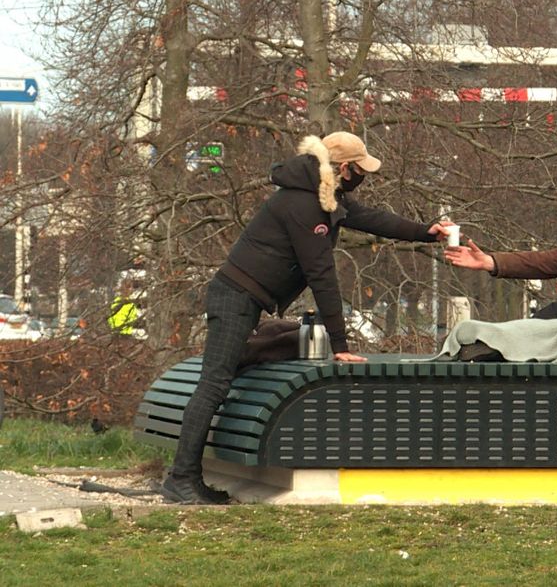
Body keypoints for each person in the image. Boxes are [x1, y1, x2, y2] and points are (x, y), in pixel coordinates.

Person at [161, 131, 452, 504]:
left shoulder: (323, 195)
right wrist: (341, 345)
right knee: (214, 385)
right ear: (344, 168)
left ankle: (187, 478)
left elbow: (371, 218)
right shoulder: (304, 206)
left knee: (227, 376)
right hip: (234, 298)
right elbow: (322, 276)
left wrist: (425, 232)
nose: (364, 176)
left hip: (246, 300)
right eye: (360, 170)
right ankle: (182, 478)